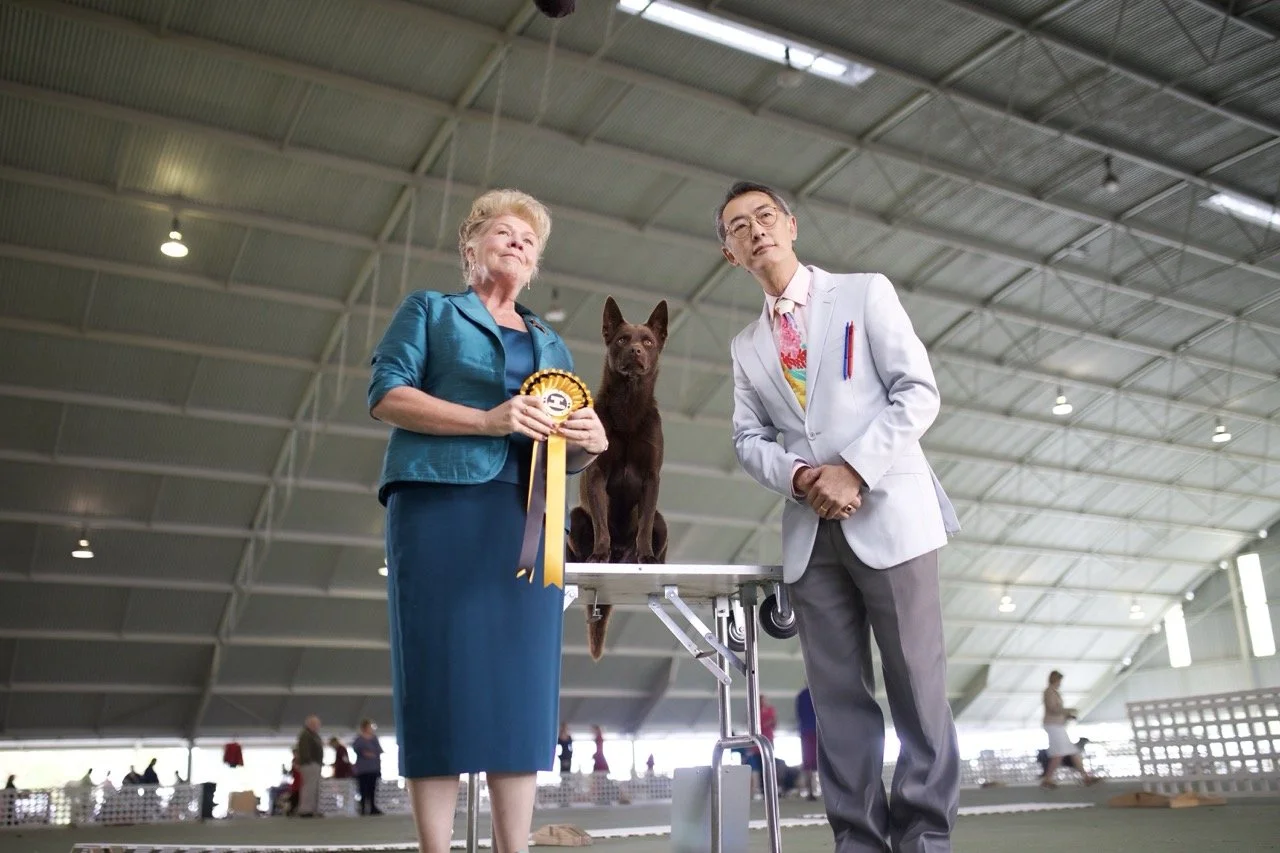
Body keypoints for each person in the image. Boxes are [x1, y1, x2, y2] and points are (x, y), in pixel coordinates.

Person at [718, 181, 961, 853]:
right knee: (837, 703)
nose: (756, 229)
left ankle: (926, 836)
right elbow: (746, 439)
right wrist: (799, 476)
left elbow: (918, 391)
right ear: (731, 253)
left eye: (765, 216)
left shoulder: (864, 293)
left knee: (918, 685)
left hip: (893, 515)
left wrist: (852, 468)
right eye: (739, 227)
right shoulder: (745, 347)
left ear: (791, 225)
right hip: (810, 535)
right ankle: (857, 839)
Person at [369, 188, 607, 853]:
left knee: (521, 685)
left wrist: (590, 438)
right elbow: (386, 393)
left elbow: (560, 450)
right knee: (437, 676)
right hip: (438, 508)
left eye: (529, 240)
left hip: (527, 519)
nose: (518, 243)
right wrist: (485, 419)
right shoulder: (430, 310)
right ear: (469, 245)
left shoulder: (551, 339)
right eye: (504, 232)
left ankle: (514, 847)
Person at [1041, 671, 1099, 788]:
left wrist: (1067, 715)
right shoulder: (1049, 692)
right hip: (1053, 725)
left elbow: (1056, 710)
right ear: (1056, 680)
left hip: (1057, 725)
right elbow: (1053, 709)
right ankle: (1048, 779)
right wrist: (1068, 711)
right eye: (1059, 681)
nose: (1060, 683)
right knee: (1059, 753)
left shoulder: (1054, 692)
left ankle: (1085, 777)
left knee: (1072, 752)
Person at [352, 719, 384, 816]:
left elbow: (379, 750)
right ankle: (363, 808)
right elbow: (358, 749)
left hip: (374, 768)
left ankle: (373, 807)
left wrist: (372, 753)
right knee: (363, 789)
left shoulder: (374, 738)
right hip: (363, 769)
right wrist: (366, 753)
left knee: (373, 788)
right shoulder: (359, 739)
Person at [294, 715, 324, 817]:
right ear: (311, 724)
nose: (318, 726)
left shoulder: (314, 735)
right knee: (309, 787)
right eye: (316, 724)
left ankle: (311, 809)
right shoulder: (306, 735)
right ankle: (305, 810)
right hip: (309, 765)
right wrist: (309, 761)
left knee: (314, 788)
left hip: (315, 764)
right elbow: (304, 750)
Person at [796, 685, 819, 800]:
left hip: (805, 731)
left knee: (808, 763)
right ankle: (819, 791)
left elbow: (799, 714)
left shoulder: (801, 695)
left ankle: (810, 791)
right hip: (818, 730)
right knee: (820, 762)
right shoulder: (819, 692)